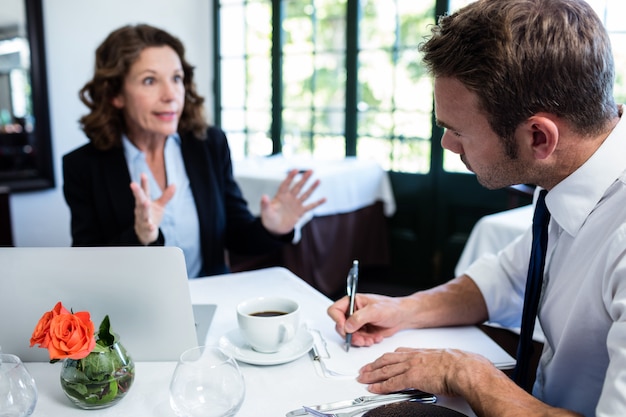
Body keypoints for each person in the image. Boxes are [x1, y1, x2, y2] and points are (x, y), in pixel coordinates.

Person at [328, 1, 626, 416]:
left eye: (457, 130)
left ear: (539, 138)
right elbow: (508, 277)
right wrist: (401, 309)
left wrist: (467, 374)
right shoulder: (565, 173)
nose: (446, 145)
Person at [63, 24, 325, 278]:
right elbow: (89, 267)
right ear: (115, 94)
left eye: (176, 78)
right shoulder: (83, 166)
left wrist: (272, 228)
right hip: (135, 311)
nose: (171, 95)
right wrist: (139, 237)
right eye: (150, 80)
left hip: (213, 300)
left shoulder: (209, 145)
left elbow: (237, 236)